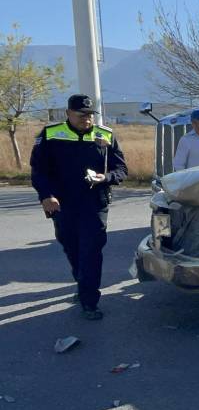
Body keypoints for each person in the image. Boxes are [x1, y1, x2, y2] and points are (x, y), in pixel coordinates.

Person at [30, 94, 128, 320]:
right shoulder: (51, 135)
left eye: (90, 115)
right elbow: (38, 171)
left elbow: (121, 169)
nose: (86, 119)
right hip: (62, 205)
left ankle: (89, 301)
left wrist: (106, 177)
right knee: (71, 248)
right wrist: (46, 196)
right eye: (81, 115)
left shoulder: (105, 135)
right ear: (68, 114)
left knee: (91, 251)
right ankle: (82, 282)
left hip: (95, 204)